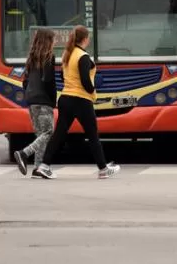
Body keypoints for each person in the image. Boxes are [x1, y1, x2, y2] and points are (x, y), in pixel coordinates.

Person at [36, 25, 120, 180]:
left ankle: (44, 166)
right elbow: (85, 81)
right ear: (86, 39)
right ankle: (103, 169)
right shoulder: (83, 56)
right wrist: (93, 90)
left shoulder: (67, 54)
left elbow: (62, 77)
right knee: (93, 135)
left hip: (66, 98)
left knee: (59, 135)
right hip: (81, 100)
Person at [14, 28, 58, 178]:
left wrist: (29, 94)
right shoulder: (49, 57)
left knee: (40, 134)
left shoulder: (31, 58)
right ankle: (24, 153)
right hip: (43, 100)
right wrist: (53, 100)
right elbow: (49, 81)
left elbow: (25, 81)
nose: (55, 43)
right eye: (53, 40)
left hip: (31, 101)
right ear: (48, 41)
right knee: (48, 132)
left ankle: (38, 169)